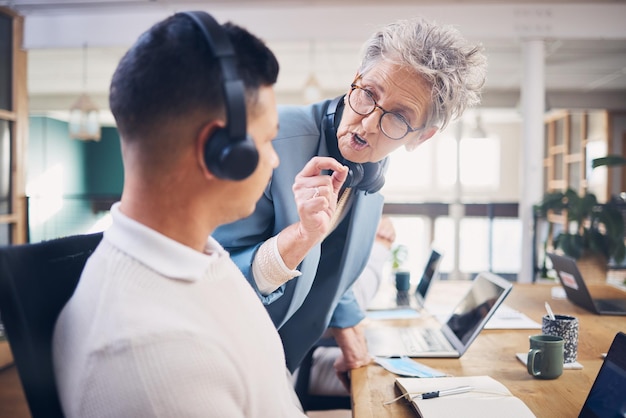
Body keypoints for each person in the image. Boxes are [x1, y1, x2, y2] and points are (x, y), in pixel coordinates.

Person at [52, 11, 306, 417]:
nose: (275, 160)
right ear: (220, 152)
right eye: (267, 140)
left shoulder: (200, 258)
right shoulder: (154, 354)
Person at [214, 17, 487, 382]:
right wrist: (299, 238)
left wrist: (347, 325)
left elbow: (333, 270)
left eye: (399, 118)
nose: (368, 124)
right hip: (227, 358)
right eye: (368, 94)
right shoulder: (270, 141)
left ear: (421, 138)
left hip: (282, 362)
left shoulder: (370, 177)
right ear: (354, 78)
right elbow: (212, 278)